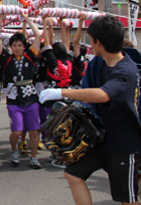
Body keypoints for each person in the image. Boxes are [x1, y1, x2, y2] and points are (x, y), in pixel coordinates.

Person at [40, 15, 141, 205]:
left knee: (127, 199)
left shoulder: (127, 71)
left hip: (124, 145)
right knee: (73, 175)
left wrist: (61, 91)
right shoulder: (98, 63)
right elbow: (89, 93)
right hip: (99, 138)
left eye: (92, 40)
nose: (90, 45)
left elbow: (103, 94)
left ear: (99, 43)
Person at [0, 13, 42, 169]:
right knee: (16, 131)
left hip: (31, 98)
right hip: (14, 100)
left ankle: (33, 158)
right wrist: (1, 18)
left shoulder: (30, 56)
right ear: (11, 47)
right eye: (14, 45)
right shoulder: (6, 58)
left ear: (23, 46)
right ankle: (14, 150)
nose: (17, 48)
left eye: (20, 45)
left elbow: (38, 34)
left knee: (34, 131)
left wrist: (27, 19)